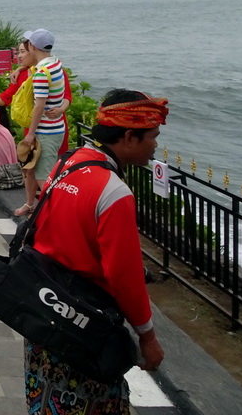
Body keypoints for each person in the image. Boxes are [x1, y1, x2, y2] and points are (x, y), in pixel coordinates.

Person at [26, 89, 168, 411]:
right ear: (130, 137)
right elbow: (124, 277)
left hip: (43, 311)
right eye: (153, 136)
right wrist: (147, 337)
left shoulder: (68, 163)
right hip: (82, 327)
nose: (156, 146)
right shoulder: (113, 192)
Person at [16, 29, 67, 217]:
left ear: (33, 47)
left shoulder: (41, 74)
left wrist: (31, 133)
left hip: (46, 131)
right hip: (56, 128)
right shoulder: (55, 65)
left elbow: (39, 106)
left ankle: (57, 213)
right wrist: (21, 68)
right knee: (34, 170)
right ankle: (32, 205)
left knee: (43, 176)